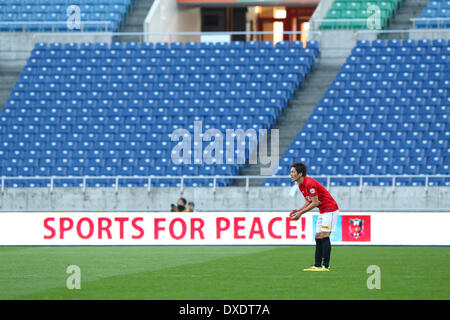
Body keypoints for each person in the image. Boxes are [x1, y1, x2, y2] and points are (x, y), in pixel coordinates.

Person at [289, 162, 339, 272]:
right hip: (323, 210)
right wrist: (298, 210)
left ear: (300, 174)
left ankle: (325, 266)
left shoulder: (309, 183)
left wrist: (301, 213)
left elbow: (315, 202)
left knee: (324, 235)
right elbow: (308, 200)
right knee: (318, 236)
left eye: (293, 172)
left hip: (330, 209)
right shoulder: (301, 185)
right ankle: (317, 265)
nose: (290, 174)